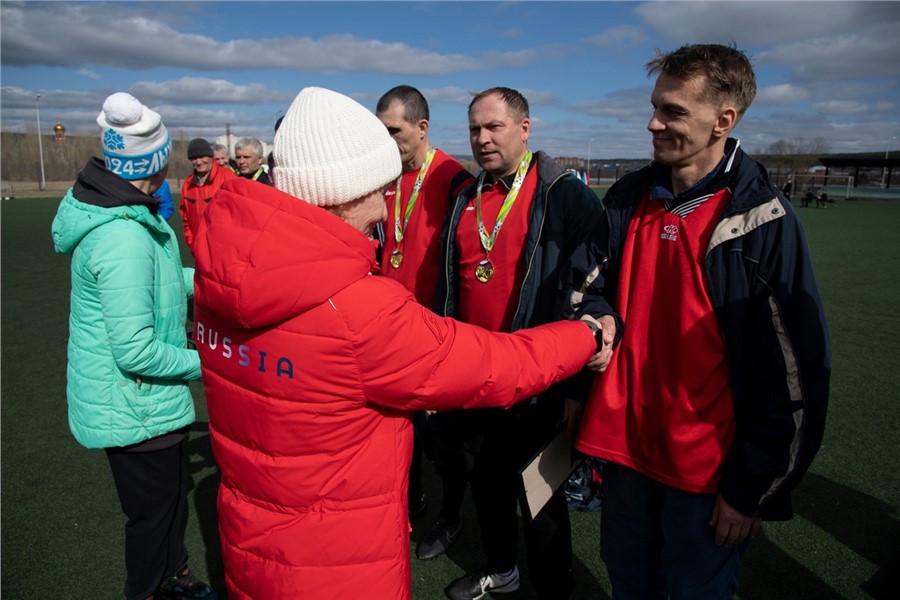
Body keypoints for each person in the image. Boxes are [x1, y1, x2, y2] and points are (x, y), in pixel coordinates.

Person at [190, 86, 603, 600]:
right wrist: (585, 335)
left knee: (529, 492)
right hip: (337, 568)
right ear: (341, 191)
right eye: (376, 190)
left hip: (253, 548)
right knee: (489, 477)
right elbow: (498, 366)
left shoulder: (216, 280)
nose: (385, 211)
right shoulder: (356, 310)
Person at [571, 43, 831, 598]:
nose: (653, 123)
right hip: (623, 449)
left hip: (706, 470)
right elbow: (586, 286)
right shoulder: (627, 196)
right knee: (628, 584)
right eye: (654, 106)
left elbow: (793, 374)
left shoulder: (764, 219)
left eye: (673, 112)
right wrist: (599, 318)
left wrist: (750, 489)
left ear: (723, 120)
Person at [436, 87, 604, 600]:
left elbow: (593, 292)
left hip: (538, 379)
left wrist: (575, 386)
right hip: (474, 375)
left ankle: (554, 589)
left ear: (524, 129)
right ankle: (501, 568)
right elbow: (453, 287)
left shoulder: (563, 194)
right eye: (474, 129)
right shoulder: (465, 196)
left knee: (540, 495)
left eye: (494, 127)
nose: (482, 139)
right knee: (486, 481)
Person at [51, 92, 216, 600]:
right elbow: (136, 351)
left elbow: (160, 282)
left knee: (170, 502)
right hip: (134, 404)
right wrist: (209, 363)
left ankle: (173, 576)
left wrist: (210, 283)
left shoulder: (130, 215)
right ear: (155, 162)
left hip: (145, 402)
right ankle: (147, 591)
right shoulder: (122, 237)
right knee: (151, 516)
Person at [375, 84, 474, 542]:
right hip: (388, 329)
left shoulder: (455, 180)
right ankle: (410, 500)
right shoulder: (385, 176)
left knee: (441, 436)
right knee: (397, 428)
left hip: (434, 331)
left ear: (421, 127)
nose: (386, 140)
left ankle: (450, 516)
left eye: (393, 131)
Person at [179, 137, 236, 252]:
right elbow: (186, 219)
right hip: (199, 249)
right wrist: (192, 243)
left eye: (202, 157)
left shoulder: (228, 177)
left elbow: (237, 213)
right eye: (194, 158)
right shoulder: (187, 184)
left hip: (225, 248)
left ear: (210, 156)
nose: (198, 162)